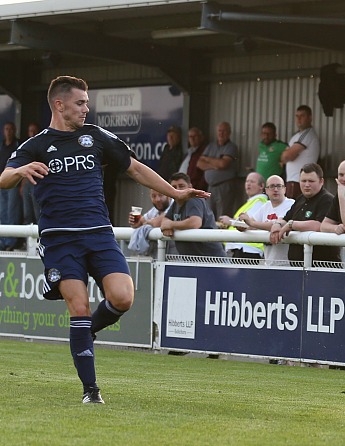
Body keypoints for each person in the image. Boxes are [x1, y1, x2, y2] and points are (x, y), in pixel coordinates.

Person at [0, 75, 209, 404]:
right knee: (79, 306)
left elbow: (135, 168)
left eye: (87, 103)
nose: (87, 108)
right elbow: (4, 178)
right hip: (60, 240)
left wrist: (176, 193)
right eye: (80, 103)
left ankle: (87, 332)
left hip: (98, 234)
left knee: (123, 297)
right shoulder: (36, 145)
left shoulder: (96, 137)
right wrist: (20, 172)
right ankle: (91, 390)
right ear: (59, 105)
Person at [270, 163, 340, 263]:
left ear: (321, 181)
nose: (306, 185)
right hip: (297, 266)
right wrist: (277, 224)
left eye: (311, 181)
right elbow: (285, 219)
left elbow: (319, 225)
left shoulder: (327, 200)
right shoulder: (300, 199)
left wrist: (292, 225)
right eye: (303, 181)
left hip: (322, 267)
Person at [161, 172, 226, 258]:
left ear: (190, 187)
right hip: (192, 260)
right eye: (174, 187)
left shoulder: (194, 199)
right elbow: (165, 221)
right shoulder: (176, 203)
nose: (178, 189)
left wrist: (171, 225)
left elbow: (195, 223)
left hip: (211, 260)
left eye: (181, 186)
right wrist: (167, 226)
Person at [238, 175, 294, 265]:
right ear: (266, 190)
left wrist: (251, 223)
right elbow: (251, 224)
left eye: (279, 186)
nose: (275, 189)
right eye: (272, 186)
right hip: (269, 262)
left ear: (284, 189)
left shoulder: (291, 204)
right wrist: (243, 226)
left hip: (288, 265)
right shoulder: (266, 206)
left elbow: (277, 224)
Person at [219, 172, 268, 260]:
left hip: (247, 250)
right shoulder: (251, 202)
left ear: (261, 186)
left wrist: (230, 221)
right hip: (241, 248)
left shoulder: (259, 202)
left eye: (252, 182)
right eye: (247, 181)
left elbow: (251, 224)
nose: (248, 184)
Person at [197, 121, 240, 217]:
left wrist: (207, 159)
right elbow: (199, 163)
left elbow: (223, 163)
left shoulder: (231, 147)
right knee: (209, 216)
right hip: (211, 187)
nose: (221, 133)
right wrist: (214, 165)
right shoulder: (211, 146)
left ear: (229, 133)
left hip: (224, 187)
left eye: (224, 131)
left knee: (223, 216)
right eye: (219, 131)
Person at [281, 105, 320, 199]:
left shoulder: (307, 134)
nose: (299, 119)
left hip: (299, 181)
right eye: (297, 116)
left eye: (302, 116)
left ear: (310, 118)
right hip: (292, 180)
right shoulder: (297, 136)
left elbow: (287, 156)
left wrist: (286, 155)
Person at [127, 189, 174, 256]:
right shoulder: (155, 210)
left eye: (161, 195)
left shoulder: (175, 205)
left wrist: (147, 223)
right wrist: (135, 223)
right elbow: (141, 221)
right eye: (153, 196)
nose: (157, 199)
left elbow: (158, 222)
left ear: (168, 195)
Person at [0, 122, 22, 250]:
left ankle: (10, 242)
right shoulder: (1, 146)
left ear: (14, 131)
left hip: (13, 183)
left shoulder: (18, 145)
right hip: (1, 183)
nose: (8, 131)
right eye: (6, 129)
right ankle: (2, 242)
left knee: (12, 212)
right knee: (2, 213)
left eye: (10, 129)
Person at [21, 121, 41, 225]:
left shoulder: (42, 145)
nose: (32, 133)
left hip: (37, 183)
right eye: (30, 131)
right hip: (26, 183)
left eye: (34, 131)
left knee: (37, 213)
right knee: (27, 213)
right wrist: (22, 185)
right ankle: (27, 240)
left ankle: (40, 240)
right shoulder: (25, 147)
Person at [179, 127, 208, 191]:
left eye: (195, 136)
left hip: (195, 188)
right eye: (190, 137)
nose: (192, 139)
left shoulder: (205, 151)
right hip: (183, 188)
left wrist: (198, 187)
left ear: (201, 137)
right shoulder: (188, 152)